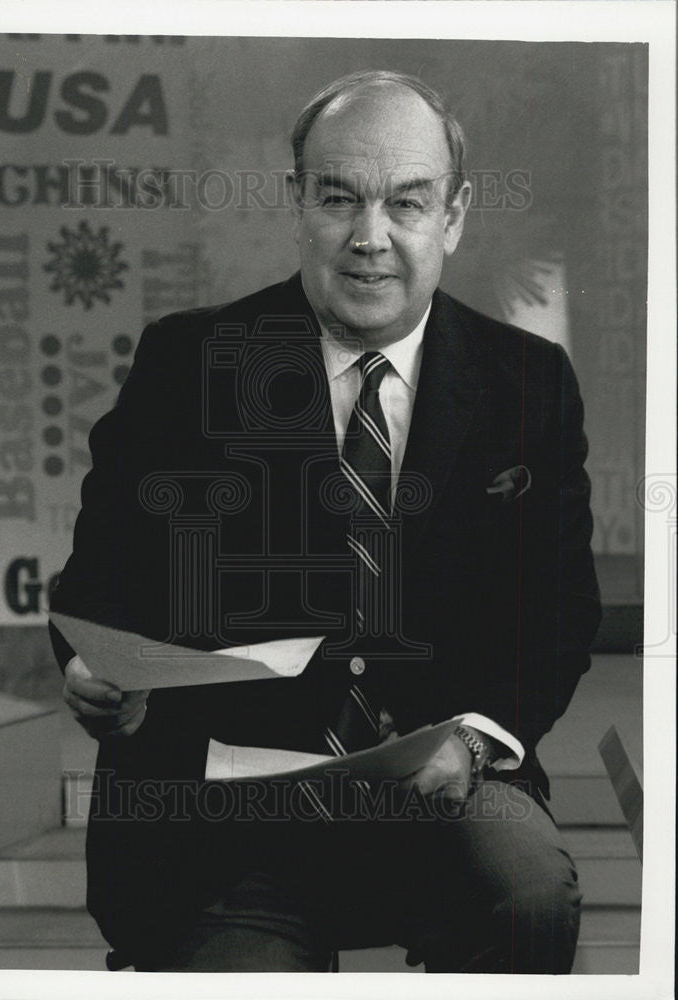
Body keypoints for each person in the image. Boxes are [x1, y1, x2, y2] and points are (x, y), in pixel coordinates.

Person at [49, 69, 601, 973]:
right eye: (338, 197)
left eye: (407, 204)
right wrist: (92, 669)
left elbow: (555, 613)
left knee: (530, 893)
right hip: (237, 821)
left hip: (448, 786)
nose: (369, 239)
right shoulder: (188, 361)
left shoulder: (528, 382)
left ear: (454, 216)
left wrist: (472, 739)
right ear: (296, 199)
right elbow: (99, 585)